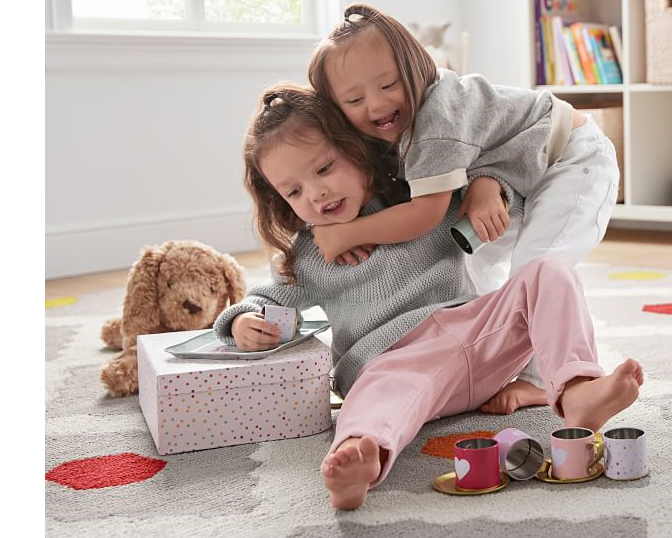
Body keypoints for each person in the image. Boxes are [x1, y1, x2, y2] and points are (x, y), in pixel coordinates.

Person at [214, 84, 643, 510]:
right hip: (393, 363)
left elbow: (510, 200)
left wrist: (489, 185)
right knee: (372, 396)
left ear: (357, 150)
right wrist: (240, 321)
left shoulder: (424, 197)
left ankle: (578, 389)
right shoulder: (307, 255)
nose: (315, 193)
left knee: (549, 271)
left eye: (324, 168)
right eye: (294, 191)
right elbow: (264, 299)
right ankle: (360, 456)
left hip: (477, 337)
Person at [307, 3, 620, 415]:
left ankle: (556, 381)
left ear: (416, 67)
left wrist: (347, 233)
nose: (377, 104)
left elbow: (426, 215)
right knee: (471, 265)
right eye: (354, 99)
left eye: (388, 85)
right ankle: (484, 354)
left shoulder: (434, 120)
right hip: (518, 170)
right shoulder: (396, 130)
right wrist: (486, 178)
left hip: (570, 159)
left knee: (540, 266)